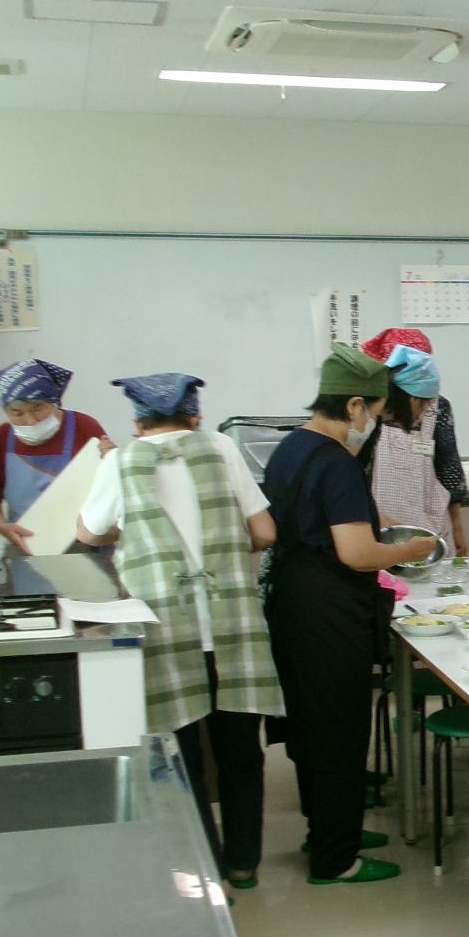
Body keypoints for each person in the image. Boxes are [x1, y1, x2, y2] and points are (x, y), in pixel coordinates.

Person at [76, 373, 282, 889]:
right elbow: (265, 531)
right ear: (195, 416)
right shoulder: (222, 448)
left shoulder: (119, 462)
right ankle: (244, 864)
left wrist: (133, 527)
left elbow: (88, 534)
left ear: (137, 422)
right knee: (240, 752)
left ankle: (203, 870)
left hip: (166, 629)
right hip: (231, 625)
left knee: (182, 758)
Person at [263, 345, 433, 886]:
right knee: (337, 729)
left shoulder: (292, 446)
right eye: (376, 411)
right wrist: (410, 550)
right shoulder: (336, 460)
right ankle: (337, 859)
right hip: (328, 610)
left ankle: (328, 832)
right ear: (355, 405)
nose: (375, 423)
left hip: (292, 599)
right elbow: (357, 553)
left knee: (312, 727)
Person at [0, 358, 112, 554]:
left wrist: (112, 459)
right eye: (17, 413)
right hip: (28, 548)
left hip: (87, 547)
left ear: (54, 401)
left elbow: (111, 488)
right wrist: (2, 527)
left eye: (37, 408)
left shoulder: (84, 428)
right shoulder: (0, 439)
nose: (30, 421)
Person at [359, 329, 468, 559]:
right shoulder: (367, 418)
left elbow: (450, 470)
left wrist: (458, 527)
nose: (424, 410)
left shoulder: (435, 406)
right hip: (375, 521)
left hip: (426, 519)